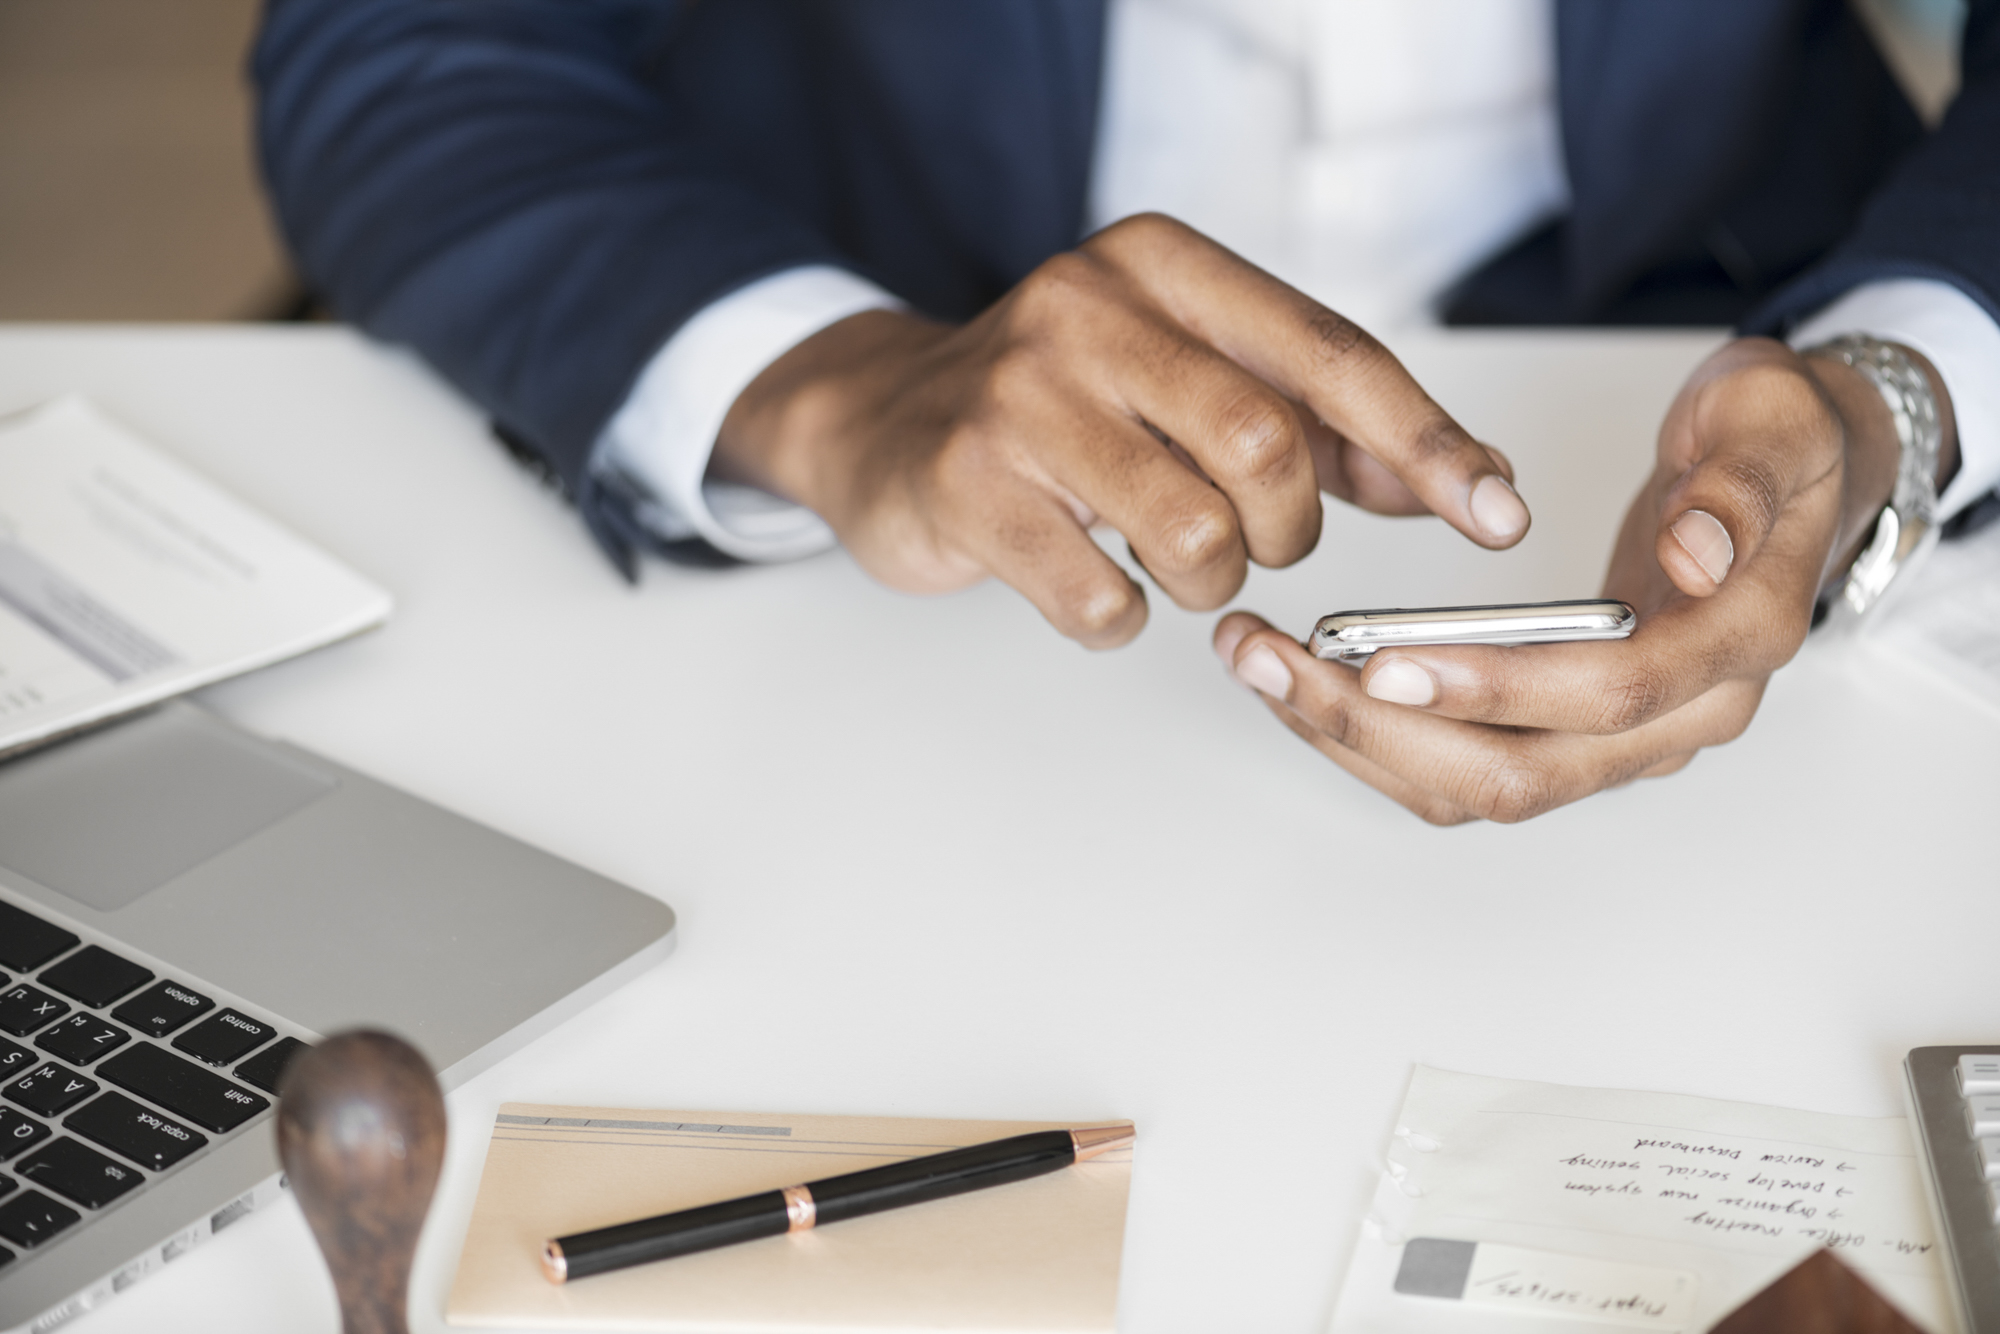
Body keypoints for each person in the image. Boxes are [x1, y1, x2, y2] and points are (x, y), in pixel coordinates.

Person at [253, 0, 1998, 822]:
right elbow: (400, 41)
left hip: (1699, 321)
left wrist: (1894, 386)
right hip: (903, 424)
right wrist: (838, 388)